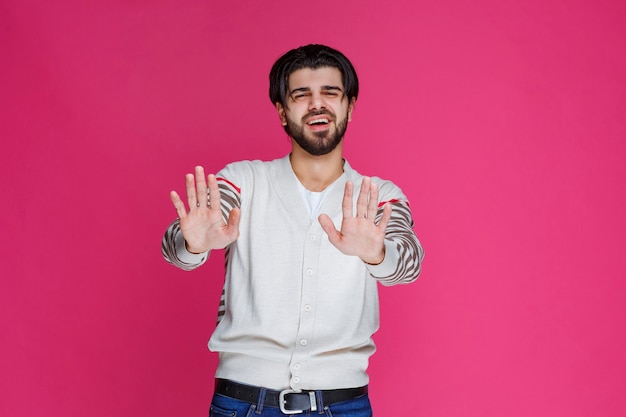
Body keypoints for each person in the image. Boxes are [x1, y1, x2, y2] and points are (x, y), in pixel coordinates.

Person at [162, 44, 424, 417]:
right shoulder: (242, 182)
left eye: (330, 93)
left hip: (344, 404)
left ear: (350, 106)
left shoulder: (378, 195)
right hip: (243, 403)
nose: (317, 105)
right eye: (302, 96)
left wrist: (376, 253)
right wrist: (192, 243)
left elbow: (409, 264)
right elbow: (176, 244)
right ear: (283, 113)